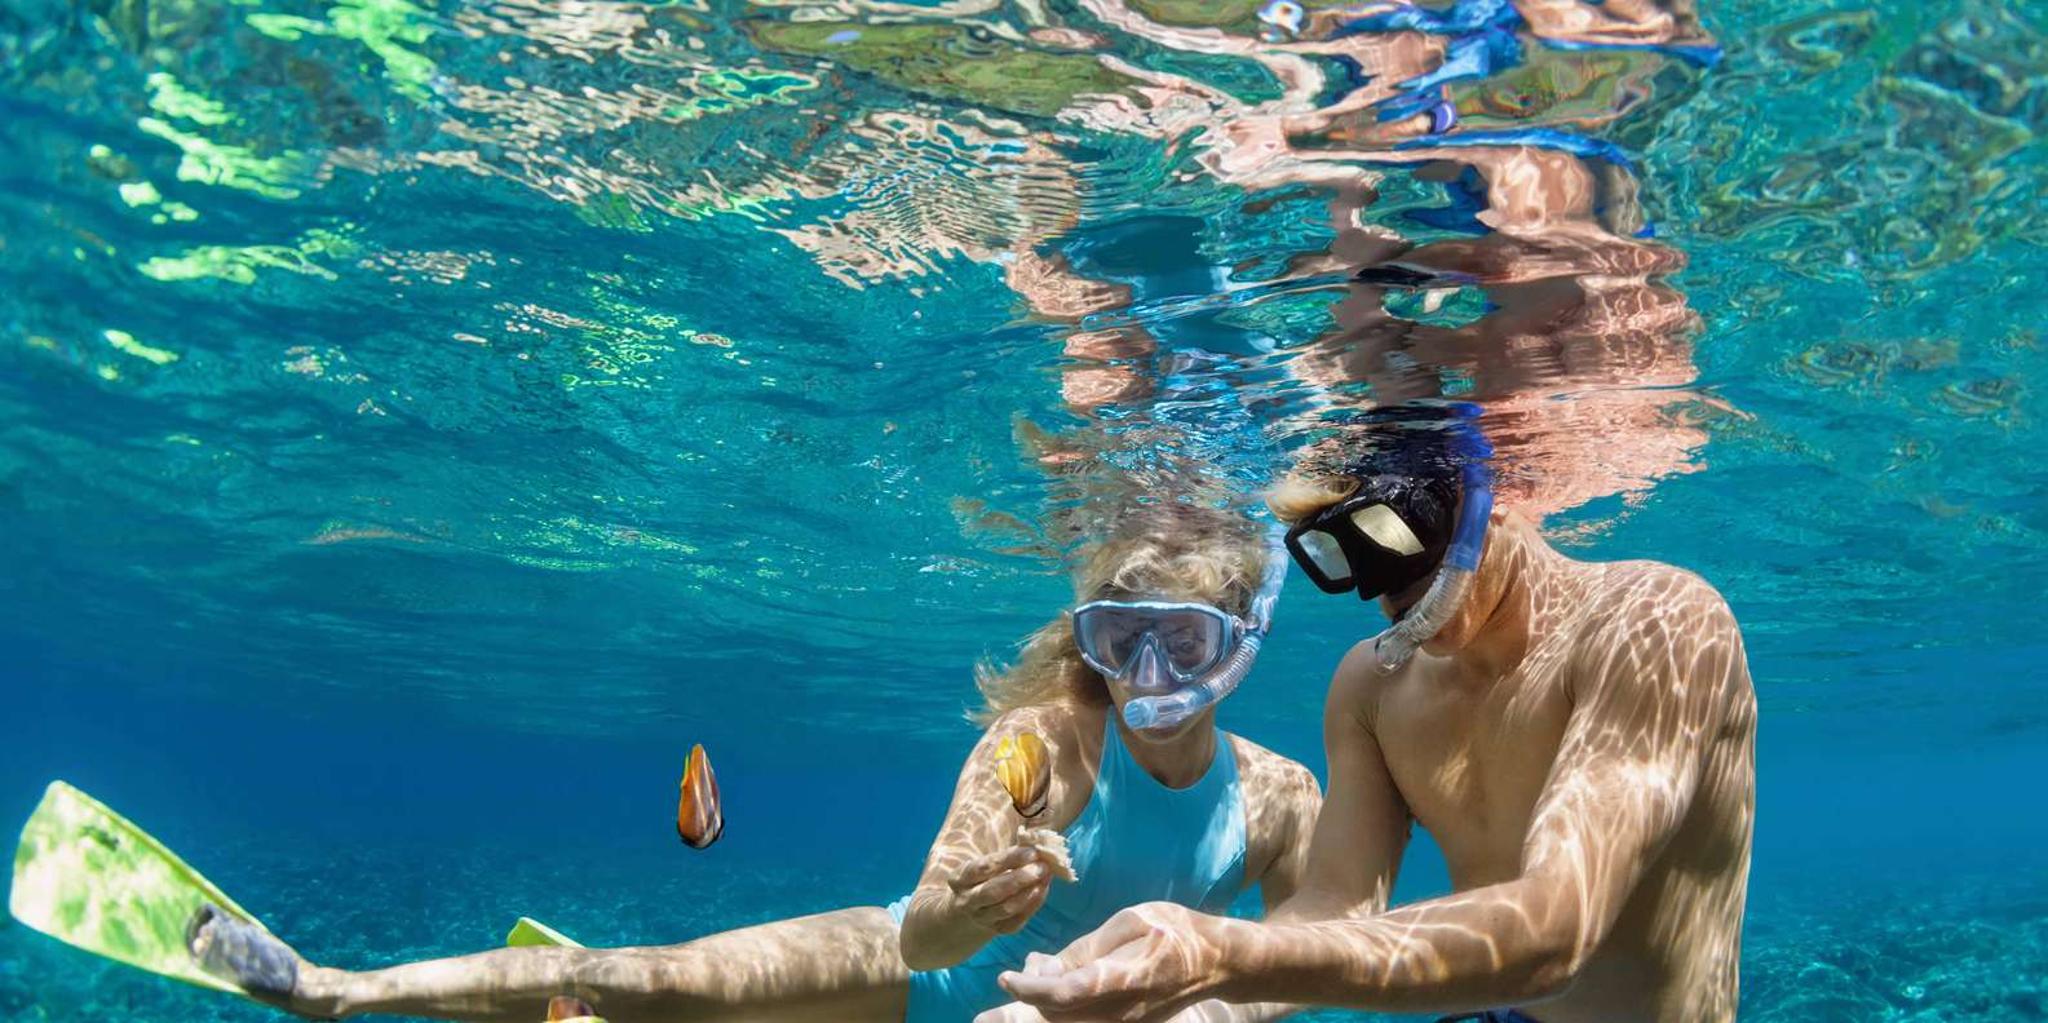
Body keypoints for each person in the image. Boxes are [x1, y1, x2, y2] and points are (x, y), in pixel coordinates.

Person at [186, 500, 1324, 1023]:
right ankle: (337, 990)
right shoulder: (1038, 744)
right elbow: (924, 934)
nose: (1147, 676)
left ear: (1241, 647)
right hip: (923, 980)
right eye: (1117, 641)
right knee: (662, 978)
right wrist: (972, 913)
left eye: (1186, 641)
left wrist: (1207, 1007)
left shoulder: (1278, 796)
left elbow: (1313, 953)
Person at [990, 411, 1756, 1023]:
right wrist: (1181, 1006)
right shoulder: (1373, 686)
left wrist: (1221, 956)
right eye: (1344, 555)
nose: (1383, 588)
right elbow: (1336, 903)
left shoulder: (1658, 621)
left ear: (1488, 497)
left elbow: (1560, 929)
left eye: (1397, 531)